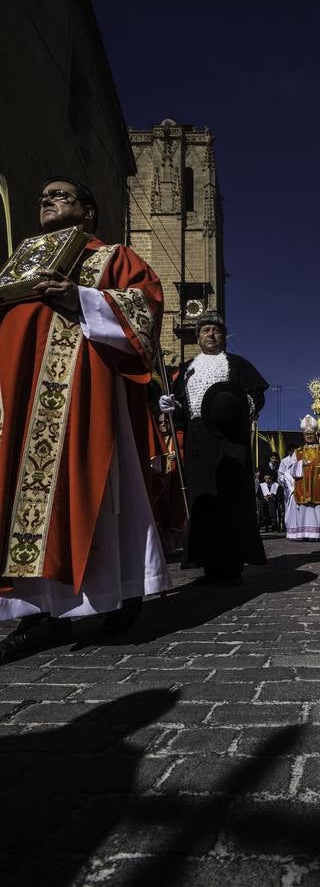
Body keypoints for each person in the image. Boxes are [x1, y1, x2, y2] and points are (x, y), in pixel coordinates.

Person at [0, 176, 172, 662]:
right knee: (17, 500)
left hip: (82, 394)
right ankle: (32, 611)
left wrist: (81, 298)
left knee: (93, 488)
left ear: (88, 211)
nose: (47, 200)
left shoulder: (112, 256)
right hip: (17, 397)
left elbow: (146, 307)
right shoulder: (21, 262)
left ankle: (116, 593)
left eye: (60, 195)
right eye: (44, 196)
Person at [160, 311, 268, 582]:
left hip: (229, 438)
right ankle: (207, 561)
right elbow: (180, 406)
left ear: (223, 336)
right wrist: (171, 407)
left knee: (230, 497)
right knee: (203, 499)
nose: (211, 334)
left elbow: (256, 394)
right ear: (197, 337)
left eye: (215, 330)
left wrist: (240, 410)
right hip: (199, 441)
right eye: (205, 330)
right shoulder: (186, 369)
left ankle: (232, 563)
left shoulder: (236, 363)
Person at [283, 416, 320, 540]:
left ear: (316, 434)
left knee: (317, 509)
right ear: (303, 435)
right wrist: (300, 464)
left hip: (318, 484)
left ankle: (318, 534)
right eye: (306, 434)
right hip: (303, 486)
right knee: (305, 510)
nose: (309, 436)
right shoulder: (298, 452)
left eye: (311, 433)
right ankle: (304, 533)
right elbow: (289, 469)